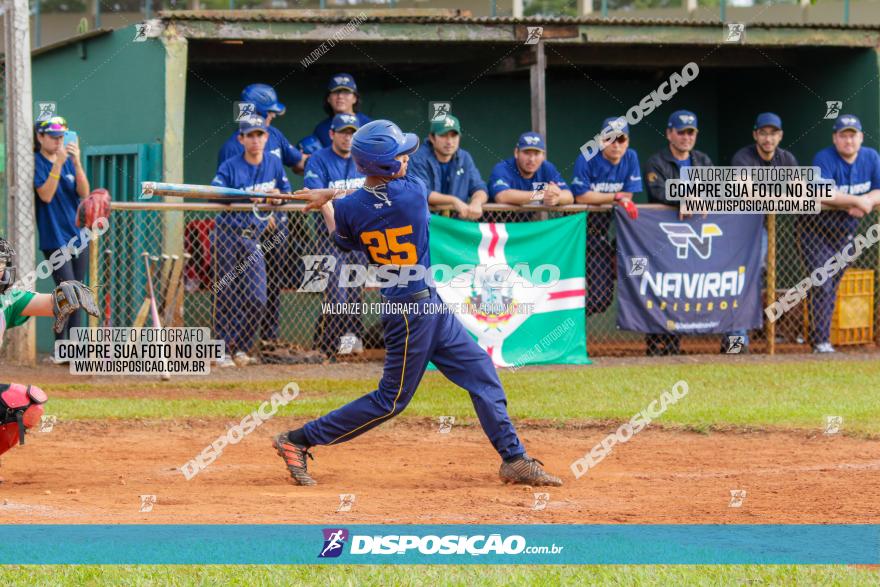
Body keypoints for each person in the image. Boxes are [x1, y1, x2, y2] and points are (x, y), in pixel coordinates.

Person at [273, 119, 563, 487]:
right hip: (411, 311)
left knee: (482, 374)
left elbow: (342, 237)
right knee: (390, 401)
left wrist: (326, 199)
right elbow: (367, 195)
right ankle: (298, 440)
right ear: (385, 165)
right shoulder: (411, 193)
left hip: (426, 305)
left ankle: (514, 459)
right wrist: (331, 194)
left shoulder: (354, 209)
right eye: (400, 156)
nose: (408, 159)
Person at [0, 237, 98, 459]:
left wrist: (66, 296)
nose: (1, 271)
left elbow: (48, 303)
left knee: (26, 403)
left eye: (1, 265)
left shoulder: (5, 300)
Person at [211, 115, 290, 368]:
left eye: (260, 135)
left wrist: (277, 198)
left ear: (267, 137)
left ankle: (242, 348)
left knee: (258, 298)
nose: (256, 140)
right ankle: (221, 350)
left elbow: (284, 195)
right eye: (250, 135)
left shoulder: (274, 163)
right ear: (241, 139)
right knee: (227, 294)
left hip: (253, 238)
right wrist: (253, 198)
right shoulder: (231, 165)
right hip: (227, 235)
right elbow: (216, 195)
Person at [798, 114, 879, 353]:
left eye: (852, 136)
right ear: (835, 138)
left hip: (845, 233)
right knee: (822, 280)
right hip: (815, 230)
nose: (848, 141)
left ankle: (819, 337)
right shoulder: (823, 158)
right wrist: (853, 201)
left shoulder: (871, 157)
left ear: (861, 137)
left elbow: (878, 190)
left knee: (831, 285)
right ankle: (821, 342)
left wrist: (865, 201)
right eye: (843, 135)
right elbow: (822, 193)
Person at [644, 110, 714, 356]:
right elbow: (656, 191)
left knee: (684, 289)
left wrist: (699, 198)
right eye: (681, 132)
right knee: (659, 287)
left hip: (694, 236)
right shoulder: (657, 161)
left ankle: (674, 344)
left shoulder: (702, 161)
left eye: (690, 132)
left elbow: (712, 190)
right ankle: (653, 343)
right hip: (663, 235)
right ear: (669, 133)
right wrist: (683, 198)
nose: (686, 137)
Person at [303, 113, 368, 356]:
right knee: (336, 293)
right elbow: (320, 198)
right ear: (332, 134)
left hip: (359, 238)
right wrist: (336, 229)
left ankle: (351, 339)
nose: (348, 137)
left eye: (352, 133)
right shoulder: (318, 159)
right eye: (343, 132)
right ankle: (329, 345)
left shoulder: (363, 159)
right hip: (330, 238)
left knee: (354, 290)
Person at [571, 117, 642, 316]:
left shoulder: (631, 157)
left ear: (627, 142)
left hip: (599, 234)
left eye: (621, 139)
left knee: (601, 299)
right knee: (565, 288)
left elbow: (628, 195)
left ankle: (572, 321)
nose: (616, 144)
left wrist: (613, 198)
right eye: (610, 139)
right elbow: (581, 195)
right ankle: (566, 331)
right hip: (575, 230)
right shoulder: (587, 156)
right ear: (601, 140)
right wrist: (615, 197)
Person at [33, 116, 91, 359]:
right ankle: (61, 347)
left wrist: (76, 163)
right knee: (67, 292)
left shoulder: (69, 161)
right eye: (54, 137)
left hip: (77, 235)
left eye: (61, 137)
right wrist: (58, 164)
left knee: (79, 293)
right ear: (40, 137)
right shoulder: (36, 162)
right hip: (54, 237)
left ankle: (75, 349)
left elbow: (84, 193)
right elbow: (45, 195)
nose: (58, 142)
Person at [409, 114, 488, 220]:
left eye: (454, 136)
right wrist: (453, 201)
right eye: (443, 135)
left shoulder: (464, 157)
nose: (449, 142)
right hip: (425, 223)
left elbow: (479, 187)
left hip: (454, 225)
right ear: (432, 138)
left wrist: (476, 202)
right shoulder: (418, 158)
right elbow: (420, 192)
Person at [217, 83, 306, 175]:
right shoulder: (231, 149)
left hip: (277, 189)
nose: (273, 115)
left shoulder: (273, 133)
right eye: (270, 111)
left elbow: (299, 161)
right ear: (257, 112)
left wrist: (319, 159)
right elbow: (226, 187)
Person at [488, 132, 573, 207]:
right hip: (495, 223)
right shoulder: (503, 168)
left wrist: (556, 197)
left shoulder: (547, 168)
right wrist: (541, 194)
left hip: (527, 223)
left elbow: (569, 196)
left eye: (536, 154)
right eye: (526, 153)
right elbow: (502, 196)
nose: (532, 159)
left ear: (543, 156)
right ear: (516, 153)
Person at [311, 73, 373, 149]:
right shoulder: (321, 129)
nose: (340, 96)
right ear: (328, 99)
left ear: (355, 98)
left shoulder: (369, 126)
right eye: (335, 92)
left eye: (346, 92)